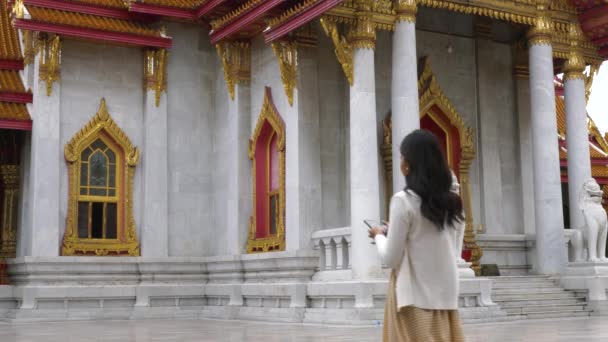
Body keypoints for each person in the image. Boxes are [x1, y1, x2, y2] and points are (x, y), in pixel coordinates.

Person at [368, 130, 465, 342]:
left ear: (408, 164)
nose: (400, 162)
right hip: (446, 298)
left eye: (402, 157)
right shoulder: (453, 203)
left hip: (412, 298)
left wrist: (378, 236)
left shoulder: (403, 201)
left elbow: (390, 258)